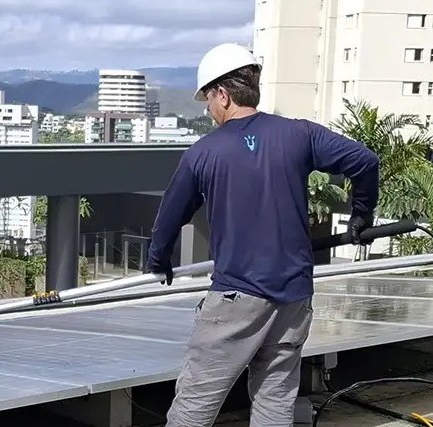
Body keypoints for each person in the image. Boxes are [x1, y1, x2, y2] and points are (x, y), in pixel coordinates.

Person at [145, 43, 380, 426]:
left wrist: (159, 260)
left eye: (208, 100)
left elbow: (169, 219)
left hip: (236, 296)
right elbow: (364, 161)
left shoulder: (203, 153)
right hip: (293, 297)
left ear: (223, 94)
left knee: (194, 406)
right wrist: (361, 215)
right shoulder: (299, 134)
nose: (208, 110)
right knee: (275, 402)